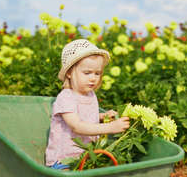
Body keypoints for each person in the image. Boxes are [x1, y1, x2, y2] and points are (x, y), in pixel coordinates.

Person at [45, 39, 130, 169]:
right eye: (87, 73)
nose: (93, 78)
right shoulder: (66, 97)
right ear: (69, 72)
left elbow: (86, 116)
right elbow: (77, 126)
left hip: (86, 156)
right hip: (64, 159)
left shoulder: (90, 95)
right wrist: (111, 127)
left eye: (97, 73)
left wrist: (102, 116)